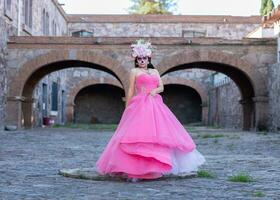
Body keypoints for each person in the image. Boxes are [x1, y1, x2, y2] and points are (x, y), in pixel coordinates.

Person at [95, 39, 205, 182]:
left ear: (148, 58)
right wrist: (127, 106)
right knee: (137, 134)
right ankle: (134, 167)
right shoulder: (134, 71)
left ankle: (156, 166)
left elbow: (161, 87)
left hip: (154, 104)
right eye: (139, 58)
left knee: (158, 133)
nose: (142, 60)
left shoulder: (154, 71)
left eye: (144, 58)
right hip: (140, 103)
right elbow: (130, 89)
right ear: (136, 59)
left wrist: (155, 91)